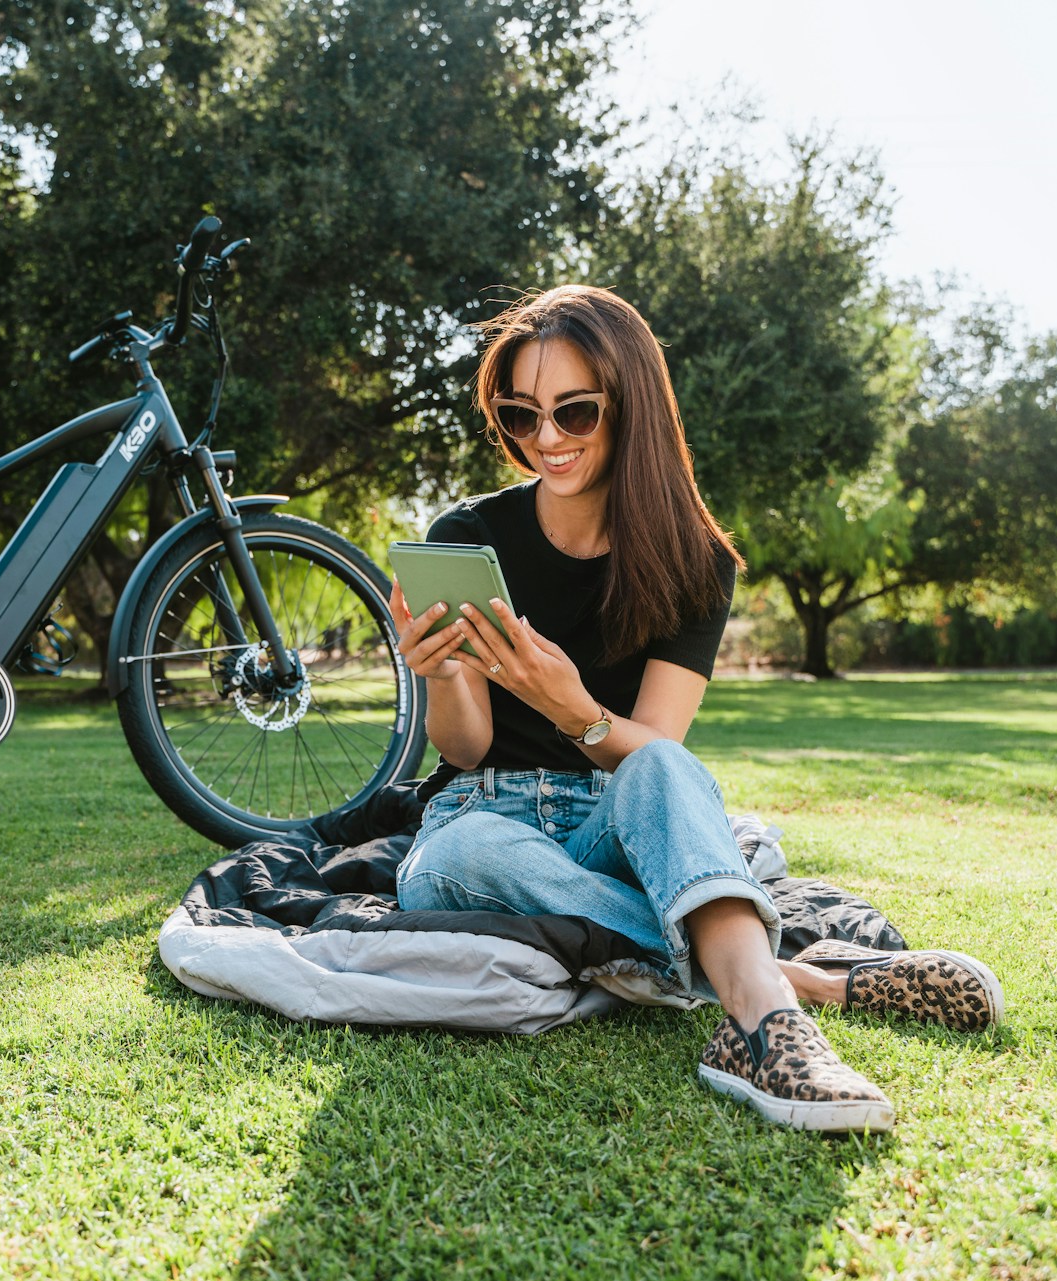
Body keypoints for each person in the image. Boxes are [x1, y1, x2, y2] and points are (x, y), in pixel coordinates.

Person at [390, 286, 1002, 1134]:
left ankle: (752, 1022)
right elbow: (465, 748)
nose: (546, 441)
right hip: (483, 817)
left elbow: (654, 755)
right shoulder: (466, 534)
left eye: (575, 412)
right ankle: (788, 979)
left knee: (665, 767)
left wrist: (575, 711)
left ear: (629, 405)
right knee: (465, 850)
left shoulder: (693, 560)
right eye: (520, 414)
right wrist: (442, 674)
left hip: (614, 819)